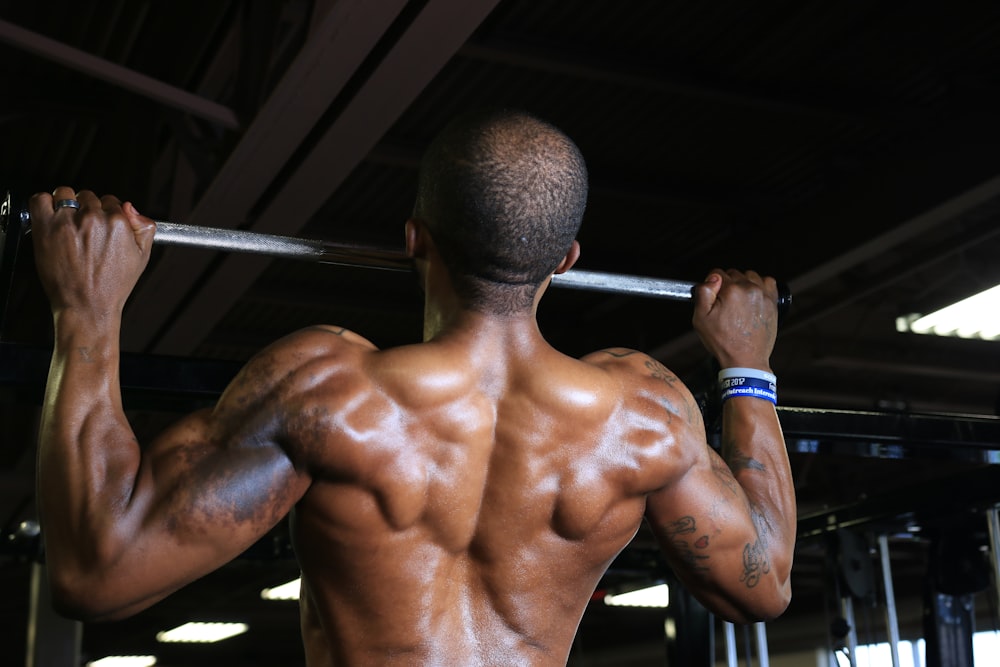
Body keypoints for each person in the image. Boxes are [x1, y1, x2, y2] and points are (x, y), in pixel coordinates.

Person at [29, 109, 796, 666]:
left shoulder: (328, 393)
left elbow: (95, 570)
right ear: (566, 258)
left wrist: (87, 311)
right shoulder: (643, 415)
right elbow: (765, 584)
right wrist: (746, 367)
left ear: (413, 238)